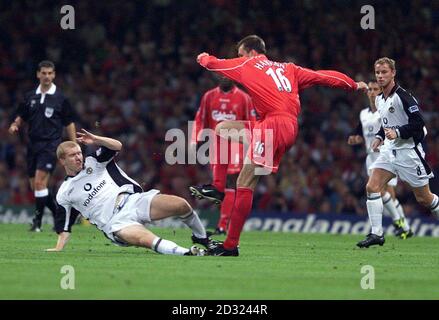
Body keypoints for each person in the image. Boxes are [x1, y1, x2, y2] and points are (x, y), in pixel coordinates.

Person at [196, 35, 368, 256]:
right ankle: (218, 189)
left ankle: (229, 244)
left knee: (245, 181)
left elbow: (214, 64)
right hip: (284, 126)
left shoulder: (247, 63)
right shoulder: (289, 69)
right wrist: (353, 85)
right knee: (222, 128)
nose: (238, 57)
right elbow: (322, 76)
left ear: (250, 52)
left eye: (240, 53)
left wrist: (202, 57)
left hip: (272, 126)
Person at [47, 129, 214, 256]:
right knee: (145, 239)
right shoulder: (64, 193)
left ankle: (202, 238)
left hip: (133, 201)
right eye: (72, 156)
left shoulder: (93, 161)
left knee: (181, 205)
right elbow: (65, 226)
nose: (78, 158)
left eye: (79, 153)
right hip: (114, 223)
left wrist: (96, 139)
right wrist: (58, 248)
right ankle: (188, 253)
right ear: (62, 160)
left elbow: (117, 146)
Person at [356, 57, 439, 248]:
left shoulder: (404, 97)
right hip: (389, 151)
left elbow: (419, 124)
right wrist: (379, 136)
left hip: (408, 153)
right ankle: (377, 234)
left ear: (393, 73)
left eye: (384, 72)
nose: (380, 76)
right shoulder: (379, 99)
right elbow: (386, 124)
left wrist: (398, 132)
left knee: (424, 198)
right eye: (378, 73)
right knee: (372, 187)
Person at [8, 60, 77, 232]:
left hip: (50, 145)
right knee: (37, 187)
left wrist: (74, 144)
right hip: (32, 145)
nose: (47, 76)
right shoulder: (30, 96)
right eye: (44, 73)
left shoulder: (61, 98)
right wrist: (15, 124)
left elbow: (69, 123)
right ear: (38, 74)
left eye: (50, 73)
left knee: (39, 183)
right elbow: (21, 114)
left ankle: (37, 223)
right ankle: (58, 216)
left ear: (54, 75)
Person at [189, 75, 256, 236]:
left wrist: (251, 145)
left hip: (235, 145)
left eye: (229, 76)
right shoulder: (209, 96)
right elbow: (200, 119)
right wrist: (194, 139)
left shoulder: (244, 98)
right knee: (220, 187)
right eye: (222, 76)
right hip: (216, 145)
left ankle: (223, 226)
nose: (225, 79)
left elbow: (252, 122)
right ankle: (223, 224)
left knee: (230, 183)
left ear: (234, 78)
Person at [348, 80, 413, 239]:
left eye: (375, 89)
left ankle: (398, 223)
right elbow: (360, 131)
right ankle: (404, 227)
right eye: (369, 89)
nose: (371, 92)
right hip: (371, 158)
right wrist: (356, 138)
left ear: (381, 91)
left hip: (387, 155)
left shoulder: (386, 110)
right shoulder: (364, 114)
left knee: (382, 191)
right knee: (387, 194)